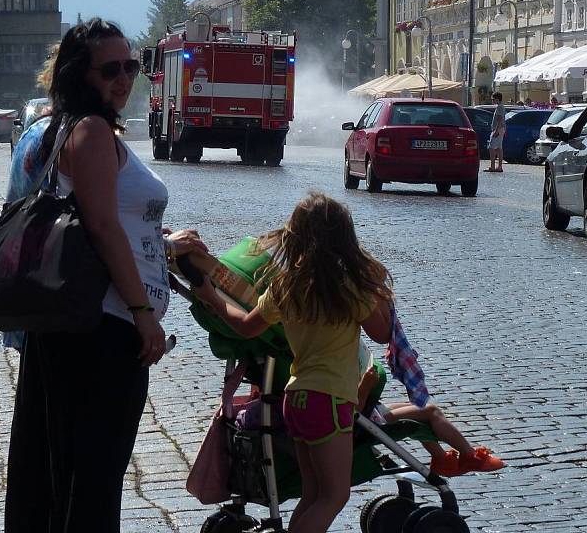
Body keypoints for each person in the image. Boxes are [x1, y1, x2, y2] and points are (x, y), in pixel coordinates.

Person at [4, 19, 207, 533]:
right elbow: (100, 226)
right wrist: (144, 316)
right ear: (80, 73)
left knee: (61, 475)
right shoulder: (91, 131)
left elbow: (100, 223)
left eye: (131, 66)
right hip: (102, 329)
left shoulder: (68, 127)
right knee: (92, 481)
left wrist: (161, 251)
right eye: (110, 69)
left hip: (73, 330)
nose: (124, 78)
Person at [203, 192, 393, 533]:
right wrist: (379, 289)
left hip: (296, 399)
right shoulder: (349, 286)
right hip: (331, 399)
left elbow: (246, 326)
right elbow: (382, 333)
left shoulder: (285, 284)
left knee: (313, 494)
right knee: (335, 496)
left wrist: (210, 296)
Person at [356, 365, 505, 476]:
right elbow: (353, 410)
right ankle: (470, 456)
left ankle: (442, 459)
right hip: (365, 421)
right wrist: (365, 386)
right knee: (431, 412)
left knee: (416, 409)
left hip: (370, 412)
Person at [486, 92, 506, 173]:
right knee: (498, 148)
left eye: (493, 99)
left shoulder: (499, 107)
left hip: (498, 129)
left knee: (491, 148)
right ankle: (499, 167)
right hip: (501, 129)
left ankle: (493, 166)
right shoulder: (500, 107)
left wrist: (496, 130)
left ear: (497, 99)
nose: (492, 101)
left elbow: (499, 119)